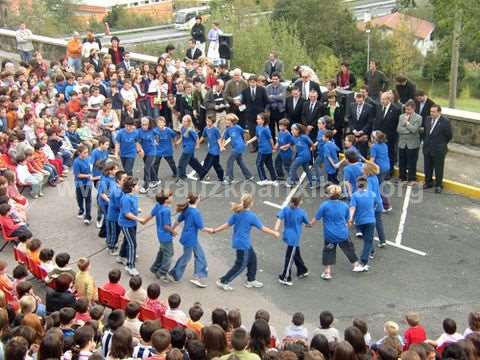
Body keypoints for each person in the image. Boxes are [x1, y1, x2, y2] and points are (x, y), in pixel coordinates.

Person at [214, 193, 279, 291]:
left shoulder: (237, 213)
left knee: (253, 259)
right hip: (243, 244)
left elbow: (227, 224)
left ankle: (251, 280)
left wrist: (215, 230)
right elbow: (262, 228)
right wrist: (274, 233)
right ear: (251, 203)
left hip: (242, 242)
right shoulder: (252, 216)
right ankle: (223, 281)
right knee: (241, 265)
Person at [311, 184, 362, 279]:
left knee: (328, 252)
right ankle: (356, 265)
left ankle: (327, 273)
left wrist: (309, 224)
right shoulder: (344, 205)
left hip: (330, 235)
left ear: (329, 195)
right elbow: (348, 219)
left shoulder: (324, 205)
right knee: (349, 249)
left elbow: (316, 218)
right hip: (342, 233)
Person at [169, 193, 212, 288]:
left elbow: (177, 221)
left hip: (188, 237)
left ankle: (197, 275)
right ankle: (176, 274)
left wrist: (172, 230)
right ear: (197, 200)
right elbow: (201, 227)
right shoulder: (196, 212)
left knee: (199, 255)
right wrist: (211, 230)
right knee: (187, 257)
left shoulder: (187, 209)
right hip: (191, 238)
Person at [274, 196, 309, 286]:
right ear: (299, 203)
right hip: (295, 238)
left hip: (288, 235)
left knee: (293, 254)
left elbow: (279, 219)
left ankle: (302, 270)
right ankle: (286, 277)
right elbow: (307, 223)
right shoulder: (302, 213)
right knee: (290, 257)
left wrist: (276, 229)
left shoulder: (286, 210)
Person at [143, 189, 176, 282]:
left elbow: (151, 214)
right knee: (169, 254)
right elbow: (166, 226)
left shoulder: (158, 205)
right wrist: (173, 231)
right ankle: (162, 272)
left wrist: (144, 221)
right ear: (166, 200)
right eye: (170, 196)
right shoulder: (166, 210)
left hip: (160, 234)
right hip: (166, 236)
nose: (172, 197)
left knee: (162, 251)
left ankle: (155, 267)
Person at [422, 105, 452, 193]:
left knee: (438, 168)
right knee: (427, 166)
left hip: (439, 149)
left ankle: (439, 185)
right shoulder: (427, 119)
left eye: (434, 112)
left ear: (439, 112)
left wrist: (441, 144)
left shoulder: (445, 122)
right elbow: (426, 133)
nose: (432, 113)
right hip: (427, 147)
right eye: (431, 111)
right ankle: (428, 182)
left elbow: (449, 136)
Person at [373, 93, 400, 178]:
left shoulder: (396, 109)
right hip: (378, 137)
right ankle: (379, 170)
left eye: (384, 99)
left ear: (389, 100)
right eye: (381, 99)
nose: (382, 101)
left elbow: (396, 124)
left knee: (389, 154)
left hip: (389, 137)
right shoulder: (379, 107)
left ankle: (389, 172)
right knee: (379, 154)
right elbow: (376, 121)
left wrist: (392, 136)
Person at [222, 113, 253, 184]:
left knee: (229, 161)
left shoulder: (237, 127)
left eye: (228, 120)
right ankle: (249, 176)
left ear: (232, 121)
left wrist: (247, 141)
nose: (226, 121)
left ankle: (229, 179)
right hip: (236, 147)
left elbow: (245, 132)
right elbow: (224, 138)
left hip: (238, 147)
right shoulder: (228, 129)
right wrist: (222, 145)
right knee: (240, 162)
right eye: (226, 120)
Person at [241, 75, 269, 152]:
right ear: (248, 82)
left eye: (254, 82)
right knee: (252, 131)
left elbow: (266, 101)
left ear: (256, 82)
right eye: (250, 82)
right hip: (250, 115)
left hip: (260, 114)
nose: (252, 83)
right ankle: (255, 146)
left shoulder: (262, 90)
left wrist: (264, 111)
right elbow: (243, 103)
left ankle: (263, 145)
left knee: (262, 131)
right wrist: (243, 109)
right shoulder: (245, 91)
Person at [397, 100, 422, 184]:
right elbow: (399, 129)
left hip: (413, 144)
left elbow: (414, 130)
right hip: (402, 143)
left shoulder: (418, 117)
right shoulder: (401, 116)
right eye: (406, 109)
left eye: (409, 110)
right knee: (402, 161)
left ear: (414, 109)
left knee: (412, 162)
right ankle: (402, 177)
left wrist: (406, 123)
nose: (407, 111)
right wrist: (409, 130)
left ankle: (412, 179)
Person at [176, 115, 205, 182]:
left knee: (181, 162)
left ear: (188, 122)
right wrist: (178, 142)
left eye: (185, 121)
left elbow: (196, 137)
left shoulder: (190, 130)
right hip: (186, 147)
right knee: (192, 161)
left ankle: (182, 176)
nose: (183, 122)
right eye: (182, 121)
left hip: (189, 148)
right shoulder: (183, 128)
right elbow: (182, 137)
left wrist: (197, 145)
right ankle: (202, 172)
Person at [106, 170, 127, 255]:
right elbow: (119, 206)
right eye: (124, 179)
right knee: (115, 232)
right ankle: (111, 248)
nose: (126, 180)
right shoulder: (117, 192)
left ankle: (112, 245)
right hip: (114, 216)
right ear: (119, 180)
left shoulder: (116, 187)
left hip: (114, 215)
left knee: (115, 232)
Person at [287, 123, 314, 188]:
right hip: (301, 156)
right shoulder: (293, 137)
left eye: (293, 130)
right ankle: (313, 183)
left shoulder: (304, 137)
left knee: (292, 167)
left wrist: (312, 150)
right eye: (291, 130)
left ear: (298, 130)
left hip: (304, 156)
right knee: (306, 169)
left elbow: (312, 144)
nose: (291, 131)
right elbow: (291, 144)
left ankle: (291, 182)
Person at [347, 92, 373, 158]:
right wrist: (353, 130)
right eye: (357, 98)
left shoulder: (369, 107)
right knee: (352, 153)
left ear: (363, 98)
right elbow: (349, 119)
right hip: (353, 134)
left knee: (362, 154)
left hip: (363, 135)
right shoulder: (352, 105)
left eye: (360, 98)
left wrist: (362, 131)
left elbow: (369, 122)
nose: (358, 100)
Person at [199, 116, 224, 182]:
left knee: (207, 164)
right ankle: (221, 177)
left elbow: (219, 139)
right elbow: (203, 136)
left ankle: (201, 176)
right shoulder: (206, 129)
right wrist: (198, 143)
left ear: (213, 122)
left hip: (215, 151)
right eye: (207, 121)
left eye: (209, 121)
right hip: (210, 150)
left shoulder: (215, 130)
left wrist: (221, 147)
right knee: (216, 165)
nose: (207, 122)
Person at [72, 144, 93, 225]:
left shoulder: (89, 159)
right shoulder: (76, 162)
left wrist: (91, 174)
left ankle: (87, 217)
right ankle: (81, 209)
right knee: (80, 198)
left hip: (87, 183)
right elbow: (77, 175)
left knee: (88, 200)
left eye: (87, 152)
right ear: (79, 153)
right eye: (84, 153)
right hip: (79, 183)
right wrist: (87, 175)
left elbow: (91, 169)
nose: (86, 154)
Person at [255, 113, 277, 186]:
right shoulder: (257, 127)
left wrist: (273, 147)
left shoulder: (266, 129)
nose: (257, 120)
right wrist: (248, 142)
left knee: (259, 164)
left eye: (258, 119)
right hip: (262, 148)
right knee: (269, 164)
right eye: (257, 119)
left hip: (264, 150)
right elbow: (257, 137)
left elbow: (270, 139)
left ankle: (263, 179)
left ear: (263, 121)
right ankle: (274, 180)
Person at [137, 117, 158, 193]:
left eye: (146, 125)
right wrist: (140, 150)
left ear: (149, 124)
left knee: (146, 167)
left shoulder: (153, 130)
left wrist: (157, 141)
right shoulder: (139, 131)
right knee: (149, 166)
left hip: (152, 151)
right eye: (143, 124)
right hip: (143, 152)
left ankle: (146, 186)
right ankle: (156, 180)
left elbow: (159, 135)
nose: (144, 126)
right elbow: (137, 142)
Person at [265, 73, 286, 139]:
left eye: (276, 79)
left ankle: (281, 142)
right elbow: (267, 99)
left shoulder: (283, 87)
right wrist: (277, 97)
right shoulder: (267, 87)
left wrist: (272, 96)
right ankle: (273, 143)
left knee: (281, 128)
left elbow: (282, 98)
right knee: (271, 128)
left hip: (280, 110)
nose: (274, 80)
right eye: (273, 79)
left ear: (279, 79)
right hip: (271, 110)